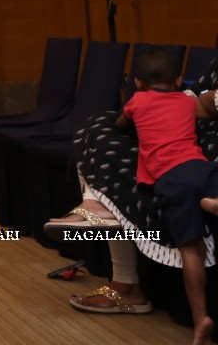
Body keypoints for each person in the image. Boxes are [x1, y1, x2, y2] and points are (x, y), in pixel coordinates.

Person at [46, 53, 218, 326]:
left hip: (194, 153)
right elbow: (198, 96)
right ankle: (97, 207)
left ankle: (101, 210)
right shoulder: (181, 96)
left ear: (136, 82)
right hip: (196, 152)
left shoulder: (140, 99)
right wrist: (198, 99)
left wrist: (206, 101)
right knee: (96, 128)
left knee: (116, 144)